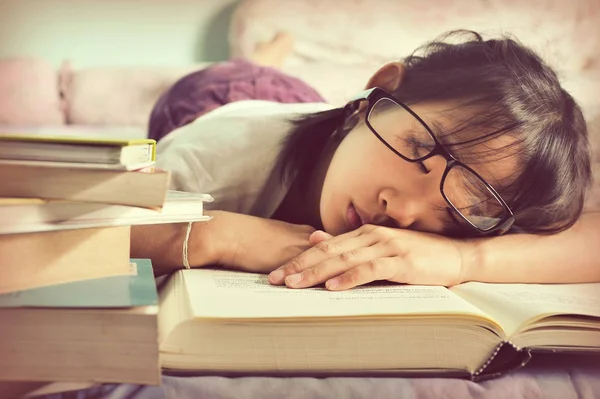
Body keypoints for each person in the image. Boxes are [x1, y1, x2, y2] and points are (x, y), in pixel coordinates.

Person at [131, 30, 600, 291]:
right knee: (243, 77)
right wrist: (221, 234)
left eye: (458, 207)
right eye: (419, 151)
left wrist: (464, 256)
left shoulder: (489, 189)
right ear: (379, 91)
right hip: (214, 103)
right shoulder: (213, 156)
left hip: (319, 115)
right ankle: (264, 58)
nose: (405, 213)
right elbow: (83, 223)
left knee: (293, 92)